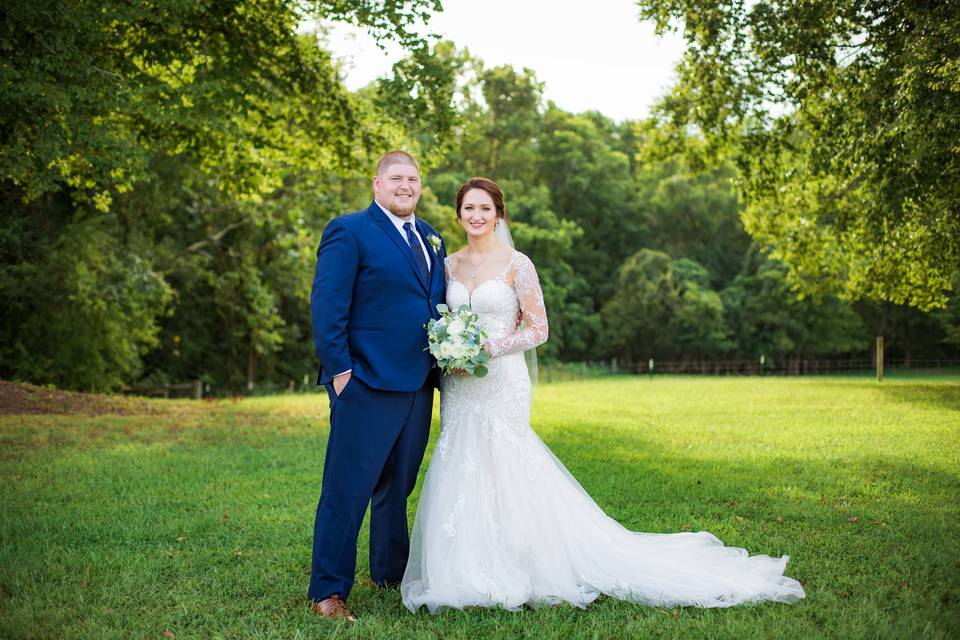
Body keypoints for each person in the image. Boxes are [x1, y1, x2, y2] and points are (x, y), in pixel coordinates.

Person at [400, 177, 806, 613]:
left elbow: (539, 328)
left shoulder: (518, 264)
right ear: (458, 213)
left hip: (502, 381)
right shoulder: (448, 265)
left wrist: (489, 348)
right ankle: (464, 567)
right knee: (461, 461)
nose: (476, 216)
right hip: (461, 384)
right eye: (468, 209)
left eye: (485, 209)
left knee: (505, 463)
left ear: (499, 214)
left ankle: (525, 561)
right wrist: (450, 350)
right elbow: (441, 319)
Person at [308, 151, 447, 622]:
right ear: (377, 183)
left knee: (397, 486)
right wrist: (341, 371)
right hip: (364, 381)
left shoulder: (432, 236)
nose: (405, 185)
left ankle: (389, 572)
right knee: (346, 490)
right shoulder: (349, 231)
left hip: (417, 384)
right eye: (396, 178)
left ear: (420, 185)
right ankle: (328, 591)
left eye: (412, 178)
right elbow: (328, 305)